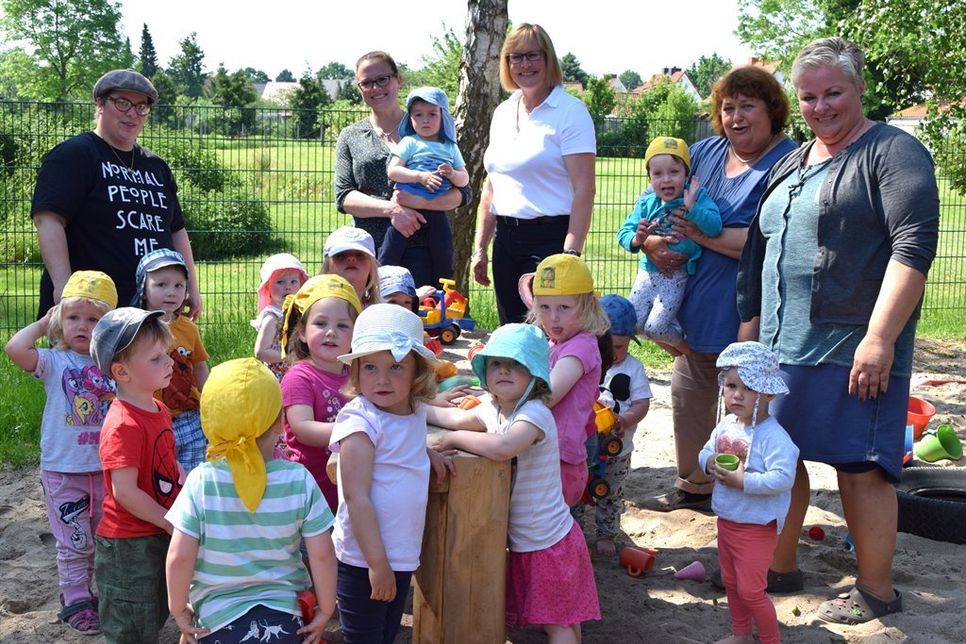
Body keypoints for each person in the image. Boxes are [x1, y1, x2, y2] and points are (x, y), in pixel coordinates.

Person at [736, 37, 939, 622]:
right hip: (778, 346)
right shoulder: (794, 160)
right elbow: (759, 253)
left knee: (860, 469)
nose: (820, 107)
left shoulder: (892, 152)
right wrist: (749, 337)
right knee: (778, 457)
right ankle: (779, 568)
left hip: (850, 345)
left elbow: (912, 247)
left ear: (860, 89)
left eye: (833, 93)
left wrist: (879, 340)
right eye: (808, 97)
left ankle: (876, 591)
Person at [643, 66, 796, 515]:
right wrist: (650, 243)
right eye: (728, 108)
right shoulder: (704, 153)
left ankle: (742, 491)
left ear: (772, 110)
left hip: (750, 309)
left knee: (745, 404)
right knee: (689, 394)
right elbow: (658, 203)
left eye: (748, 106)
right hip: (691, 300)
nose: (736, 117)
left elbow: (769, 239)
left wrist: (700, 235)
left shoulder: (787, 161)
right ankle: (693, 487)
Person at [427, 323, 601, 641]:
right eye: (496, 363)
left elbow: (504, 447)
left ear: (535, 374)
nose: (504, 370)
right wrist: (413, 408)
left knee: (560, 623)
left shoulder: (533, 413)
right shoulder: (496, 408)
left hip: (548, 541)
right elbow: (454, 418)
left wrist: (453, 440)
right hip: (528, 539)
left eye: (516, 364)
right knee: (561, 617)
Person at [165, 358, 337, 644]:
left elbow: (180, 556)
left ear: (210, 422)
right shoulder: (298, 480)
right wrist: (326, 608)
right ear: (280, 423)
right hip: (286, 619)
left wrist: (179, 609)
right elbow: (322, 554)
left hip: (216, 623)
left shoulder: (201, 481)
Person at [31, 69, 202, 319]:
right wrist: (64, 288)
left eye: (141, 107)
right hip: (91, 309)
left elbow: (176, 229)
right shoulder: (74, 155)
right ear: (100, 104)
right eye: (122, 103)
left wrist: (191, 287)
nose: (132, 113)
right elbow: (48, 219)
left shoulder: (156, 167)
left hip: (150, 309)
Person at [328, 303, 451, 643]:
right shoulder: (359, 420)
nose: (381, 379)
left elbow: (396, 448)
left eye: (395, 366)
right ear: (356, 371)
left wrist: (424, 453)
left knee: (385, 635)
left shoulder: (412, 411)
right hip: (364, 558)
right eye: (370, 367)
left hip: (400, 552)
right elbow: (356, 496)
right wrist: (377, 563)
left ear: (417, 373)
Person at [4, 271, 118, 635]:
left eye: (94, 319)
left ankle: (91, 592)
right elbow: (14, 349)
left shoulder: (112, 365)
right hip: (63, 470)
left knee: (99, 537)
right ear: (59, 320)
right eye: (73, 317)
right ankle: (75, 599)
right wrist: (43, 323)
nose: (82, 326)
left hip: (104, 468)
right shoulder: (54, 362)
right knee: (74, 540)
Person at [471, 23, 597, 324]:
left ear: (548, 59)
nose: (524, 64)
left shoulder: (570, 112)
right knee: (513, 333)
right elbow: (492, 186)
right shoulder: (502, 113)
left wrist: (570, 255)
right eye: (516, 57)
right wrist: (481, 249)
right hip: (506, 240)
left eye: (532, 55)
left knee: (547, 333)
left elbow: (584, 189)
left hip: (550, 240)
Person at [335, 51, 469, 287]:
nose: (376, 88)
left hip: (426, 251)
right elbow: (344, 196)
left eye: (382, 79)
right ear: (359, 88)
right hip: (372, 252)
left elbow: (463, 193)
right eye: (367, 83)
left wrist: (418, 202)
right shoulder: (350, 136)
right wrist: (393, 210)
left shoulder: (430, 126)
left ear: (398, 80)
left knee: (426, 307)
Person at [89, 307, 183, 643]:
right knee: (131, 622)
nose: (169, 362)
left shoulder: (159, 408)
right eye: (156, 358)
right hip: (128, 544)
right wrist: (169, 521)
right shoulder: (123, 424)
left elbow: (166, 461)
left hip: (156, 527)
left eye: (167, 353)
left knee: (154, 609)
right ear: (122, 372)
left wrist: (186, 481)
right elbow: (125, 492)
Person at [698, 342, 798, 644]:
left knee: (752, 591)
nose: (737, 395)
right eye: (731, 386)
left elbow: (784, 478)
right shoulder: (726, 425)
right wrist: (709, 462)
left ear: (768, 393)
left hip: (757, 526)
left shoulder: (774, 436)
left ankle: (770, 640)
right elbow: (705, 451)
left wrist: (745, 482)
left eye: (748, 388)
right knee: (731, 583)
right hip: (728, 520)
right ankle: (741, 634)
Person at [618, 137, 722, 355]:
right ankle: (674, 333)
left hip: (676, 276)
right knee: (633, 325)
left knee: (655, 328)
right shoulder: (646, 203)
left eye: (674, 172)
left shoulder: (696, 197)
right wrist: (639, 239)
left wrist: (692, 207)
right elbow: (623, 233)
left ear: (686, 174)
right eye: (658, 174)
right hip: (647, 273)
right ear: (649, 178)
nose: (666, 179)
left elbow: (714, 228)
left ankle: (686, 351)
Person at [525, 253, 609, 507]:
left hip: (562, 453)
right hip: (551, 445)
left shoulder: (581, 346)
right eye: (544, 307)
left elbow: (548, 394)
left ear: (587, 306)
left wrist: (499, 396)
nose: (553, 318)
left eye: (564, 307)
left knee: (551, 518)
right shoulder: (556, 342)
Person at [279, 274, 362, 513]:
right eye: (321, 323)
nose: (331, 332)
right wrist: (358, 428)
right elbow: (303, 429)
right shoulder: (299, 377)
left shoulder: (356, 373)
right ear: (302, 332)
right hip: (312, 492)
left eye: (342, 326)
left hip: (349, 487)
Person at [132, 249, 209, 472]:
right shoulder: (136, 329)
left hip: (189, 416)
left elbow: (200, 366)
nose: (171, 292)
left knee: (192, 477)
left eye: (178, 285)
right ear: (143, 287)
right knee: (157, 476)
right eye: (161, 285)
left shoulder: (188, 328)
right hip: (149, 417)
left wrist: (210, 399)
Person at [381, 86, 469, 279]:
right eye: (418, 115)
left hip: (437, 210)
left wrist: (452, 174)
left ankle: (442, 288)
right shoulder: (409, 142)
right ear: (410, 118)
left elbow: (464, 179)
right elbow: (393, 171)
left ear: (443, 117)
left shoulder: (450, 147)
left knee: (443, 251)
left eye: (432, 114)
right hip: (406, 206)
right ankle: (381, 281)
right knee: (391, 249)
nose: (425, 120)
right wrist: (419, 177)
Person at [593, 295, 652, 557]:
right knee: (579, 487)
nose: (614, 353)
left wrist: (626, 419)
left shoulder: (633, 369)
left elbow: (641, 403)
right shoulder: (587, 363)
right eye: (608, 346)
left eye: (621, 346)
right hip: (587, 444)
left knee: (611, 492)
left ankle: (606, 533)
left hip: (618, 448)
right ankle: (575, 528)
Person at [252, 253, 309, 380]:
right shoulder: (272, 318)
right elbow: (260, 352)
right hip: (278, 376)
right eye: (280, 282)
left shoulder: (299, 311)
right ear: (268, 287)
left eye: (293, 281)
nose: (287, 287)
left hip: (298, 371)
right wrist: (289, 356)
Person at [321, 226, 381, 307]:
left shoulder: (380, 311)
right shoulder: (317, 308)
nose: (351, 258)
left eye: (360, 254)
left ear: (372, 266)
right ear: (327, 265)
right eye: (341, 255)